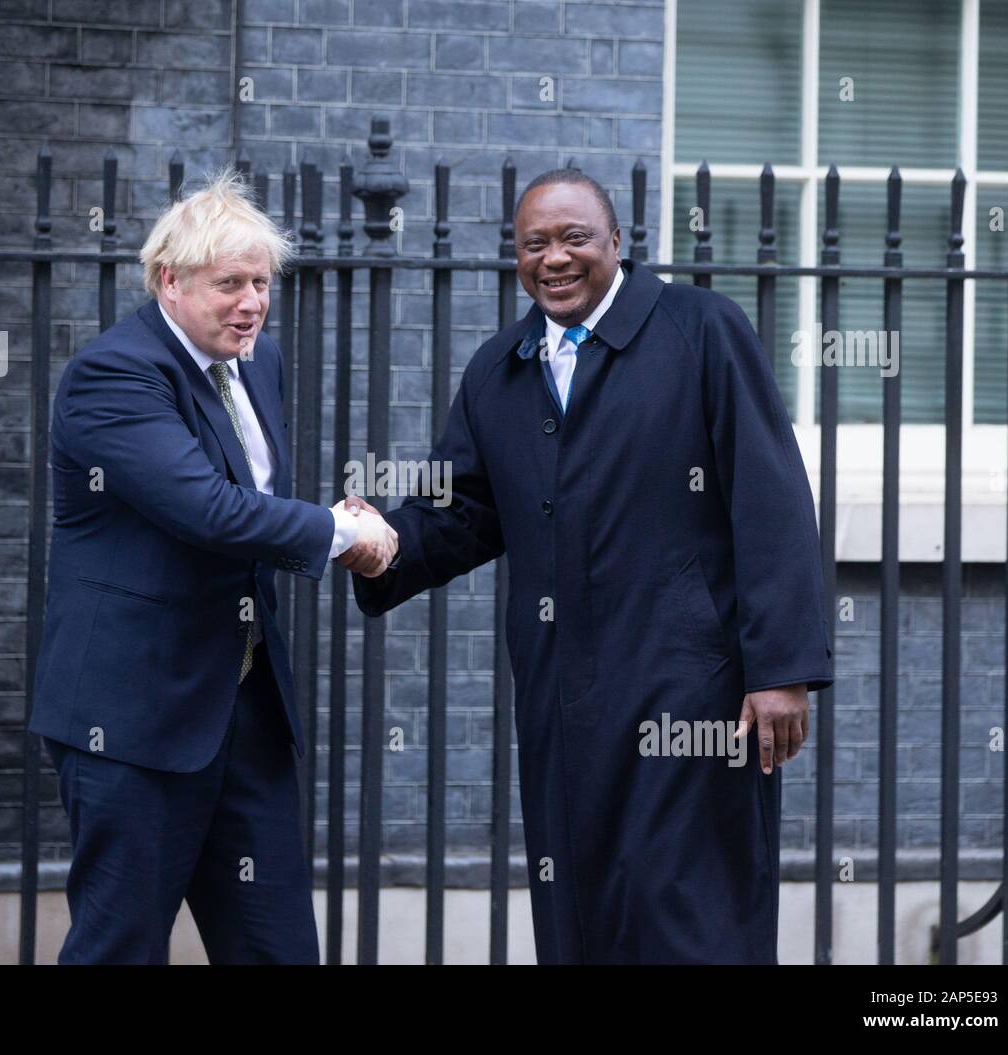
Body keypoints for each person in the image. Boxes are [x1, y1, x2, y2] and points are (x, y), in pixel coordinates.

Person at [349, 168, 833, 964]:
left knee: (688, 913)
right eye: (534, 243)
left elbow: (772, 498)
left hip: (693, 694)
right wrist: (384, 547)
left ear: (617, 242)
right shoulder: (499, 370)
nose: (555, 258)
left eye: (575, 237)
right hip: (561, 699)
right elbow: (462, 510)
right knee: (579, 912)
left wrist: (781, 668)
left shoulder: (702, 330)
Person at [28, 167, 395, 964]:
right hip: (133, 720)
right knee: (118, 948)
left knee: (279, 949)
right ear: (170, 279)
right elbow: (207, 509)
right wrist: (338, 530)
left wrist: (325, 526)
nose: (253, 302)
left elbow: (251, 506)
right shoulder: (113, 376)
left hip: (245, 713)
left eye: (261, 283)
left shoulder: (254, 362)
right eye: (231, 283)